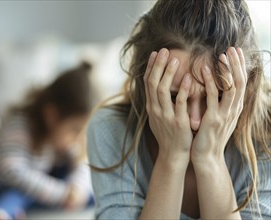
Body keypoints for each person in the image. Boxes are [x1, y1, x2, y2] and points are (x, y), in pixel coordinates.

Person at [87, 0, 271, 219]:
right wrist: (171, 158)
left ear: (245, 84)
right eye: (175, 96)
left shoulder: (266, 134)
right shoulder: (111, 130)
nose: (194, 121)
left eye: (217, 97)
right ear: (147, 81)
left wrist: (210, 159)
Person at [0, 62, 96, 220]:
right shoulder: (20, 126)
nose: (79, 139)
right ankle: (0, 214)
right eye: (75, 130)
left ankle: (11, 208)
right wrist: (61, 194)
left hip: (3, 187)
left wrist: (77, 189)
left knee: (86, 192)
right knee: (20, 189)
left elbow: (80, 160)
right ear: (52, 115)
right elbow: (12, 172)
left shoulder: (61, 138)